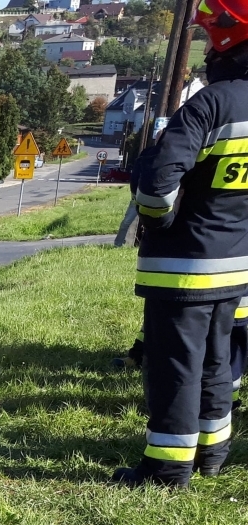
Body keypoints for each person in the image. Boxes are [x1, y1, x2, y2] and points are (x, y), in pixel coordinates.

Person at [115, 0, 248, 487]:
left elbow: (156, 187)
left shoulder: (212, 104)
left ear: (224, 41)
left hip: (183, 267)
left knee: (175, 368)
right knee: (216, 364)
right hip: (236, 268)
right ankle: (213, 454)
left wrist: (160, 219)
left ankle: (166, 470)